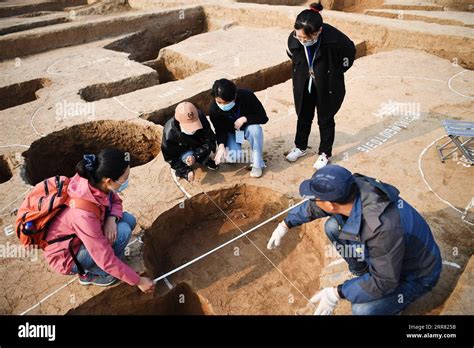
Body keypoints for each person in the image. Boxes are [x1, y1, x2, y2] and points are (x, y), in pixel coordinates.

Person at [267, 165, 442, 315]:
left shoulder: (381, 228)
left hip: (416, 275)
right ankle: (362, 272)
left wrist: (337, 293)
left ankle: (394, 306)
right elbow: (315, 207)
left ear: (330, 205)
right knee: (333, 227)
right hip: (389, 258)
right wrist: (286, 224)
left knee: (362, 309)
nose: (313, 200)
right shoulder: (354, 189)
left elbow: (385, 282)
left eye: (315, 197)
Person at [44, 148, 155, 293]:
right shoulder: (83, 214)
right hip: (68, 257)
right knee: (122, 232)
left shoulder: (97, 183)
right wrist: (138, 280)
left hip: (82, 238)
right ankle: (92, 274)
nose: (127, 181)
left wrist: (111, 218)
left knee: (128, 220)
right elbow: (105, 258)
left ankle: (112, 263)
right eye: (124, 178)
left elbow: (116, 201)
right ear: (109, 181)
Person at [285, 2, 356, 170]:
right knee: (303, 114)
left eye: (307, 38)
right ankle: (300, 147)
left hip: (326, 85)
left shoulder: (335, 40)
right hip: (304, 83)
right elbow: (292, 55)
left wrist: (335, 72)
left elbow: (349, 54)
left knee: (325, 118)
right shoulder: (293, 39)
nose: (302, 41)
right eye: (299, 37)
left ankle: (324, 153)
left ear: (318, 32)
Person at [209, 79, 268, 178]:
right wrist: (221, 146)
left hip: (247, 128)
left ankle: (258, 164)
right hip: (232, 133)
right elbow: (219, 129)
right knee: (232, 158)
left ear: (234, 96)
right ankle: (234, 147)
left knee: (255, 130)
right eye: (219, 102)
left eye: (226, 102)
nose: (222, 105)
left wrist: (245, 119)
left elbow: (263, 117)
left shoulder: (247, 95)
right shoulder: (214, 108)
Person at [161, 102, 217, 182]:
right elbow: (170, 158)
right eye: (189, 126)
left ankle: (205, 159)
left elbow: (210, 137)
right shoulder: (170, 133)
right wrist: (185, 170)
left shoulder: (199, 116)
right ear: (178, 121)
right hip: (184, 151)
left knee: (210, 152)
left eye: (194, 124)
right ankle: (182, 168)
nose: (193, 129)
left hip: (199, 145)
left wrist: (200, 154)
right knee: (186, 157)